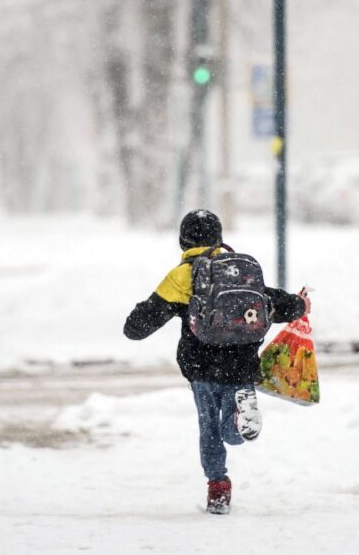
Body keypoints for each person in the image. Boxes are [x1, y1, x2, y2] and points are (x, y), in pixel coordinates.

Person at [123, 209, 310, 514]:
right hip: (242, 363)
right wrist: (300, 303)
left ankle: (218, 488)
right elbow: (274, 302)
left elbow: (137, 328)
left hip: (202, 366)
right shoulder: (241, 270)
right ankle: (238, 420)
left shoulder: (183, 275)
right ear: (220, 238)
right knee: (230, 431)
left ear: (183, 241)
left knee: (209, 428)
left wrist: (143, 313)